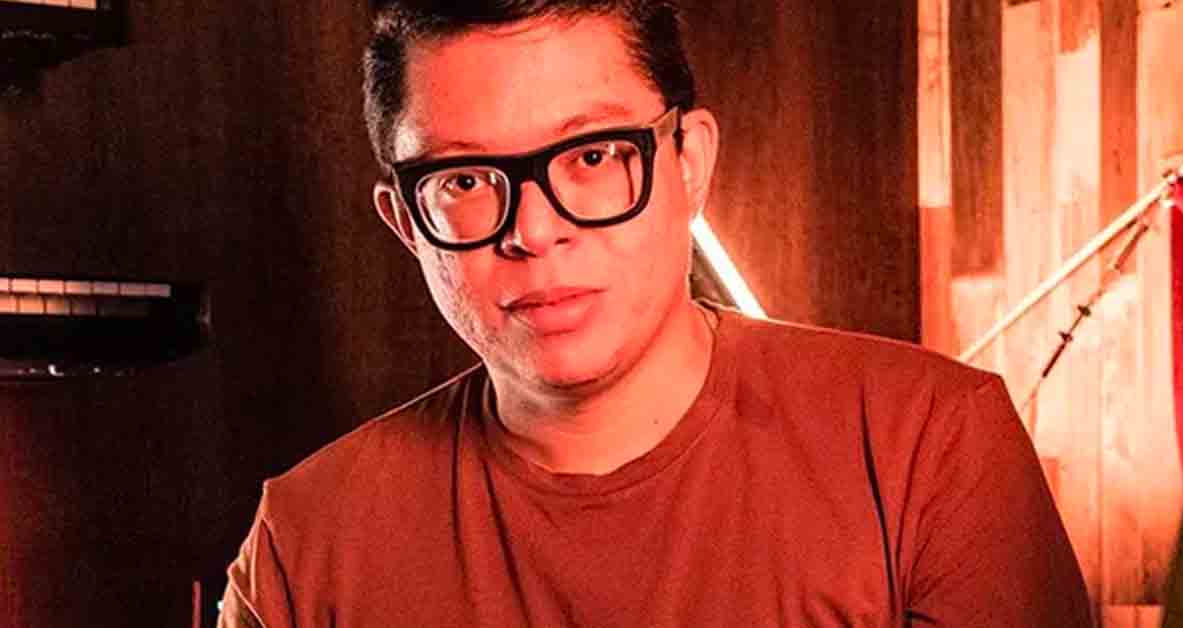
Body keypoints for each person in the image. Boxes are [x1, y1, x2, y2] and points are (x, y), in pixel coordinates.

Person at [218, 1, 1094, 626]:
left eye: (594, 156)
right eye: (467, 180)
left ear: (689, 163)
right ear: (408, 222)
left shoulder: (928, 446)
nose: (536, 230)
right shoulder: (308, 544)